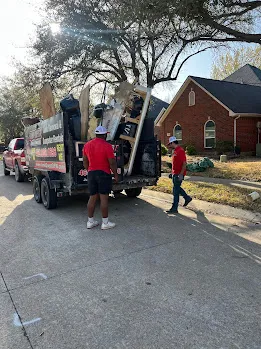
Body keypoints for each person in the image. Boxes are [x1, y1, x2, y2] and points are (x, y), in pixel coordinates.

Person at [83, 125, 119, 230]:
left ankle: (90, 222)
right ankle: (105, 223)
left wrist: (88, 169)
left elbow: (85, 161)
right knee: (104, 198)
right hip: (104, 173)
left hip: (91, 173)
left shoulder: (87, 145)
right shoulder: (107, 146)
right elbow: (112, 162)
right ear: (104, 135)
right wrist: (115, 174)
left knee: (92, 196)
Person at [166, 136, 192, 213]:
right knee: (177, 188)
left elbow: (184, 163)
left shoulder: (180, 151)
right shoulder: (175, 151)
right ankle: (187, 198)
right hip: (175, 173)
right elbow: (175, 163)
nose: (169, 146)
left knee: (175, 191)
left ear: (173, 143)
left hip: (178, 174)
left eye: (170, 144)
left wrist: (181, 174)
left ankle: (174, 208)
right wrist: (172, 173)